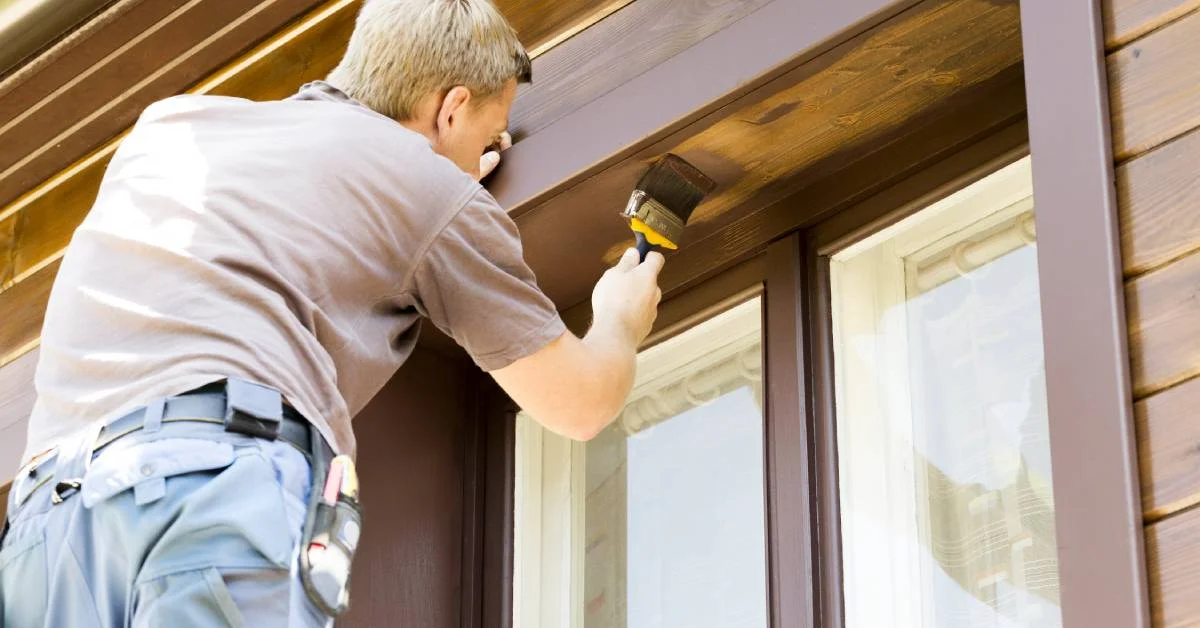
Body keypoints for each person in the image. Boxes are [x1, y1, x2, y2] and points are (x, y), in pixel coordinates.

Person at [0, 0, 663, 625]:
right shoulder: (424, 187)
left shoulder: (173, 130)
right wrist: (617, 323)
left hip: (45, 525)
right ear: (452, 108)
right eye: (489, 133)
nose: (483, 155)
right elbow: (579, 404)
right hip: (208, 486)